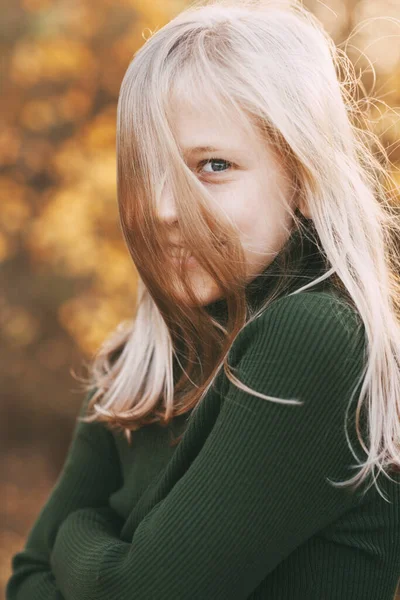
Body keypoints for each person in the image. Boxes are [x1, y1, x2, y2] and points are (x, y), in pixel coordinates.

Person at [6, 0, 400, 598]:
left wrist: (75, 534)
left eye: (213, 165)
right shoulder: (134, 364)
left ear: (304, 181)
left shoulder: (319, 336)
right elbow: (27, 581)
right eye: (147, 170)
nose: (165, 209)